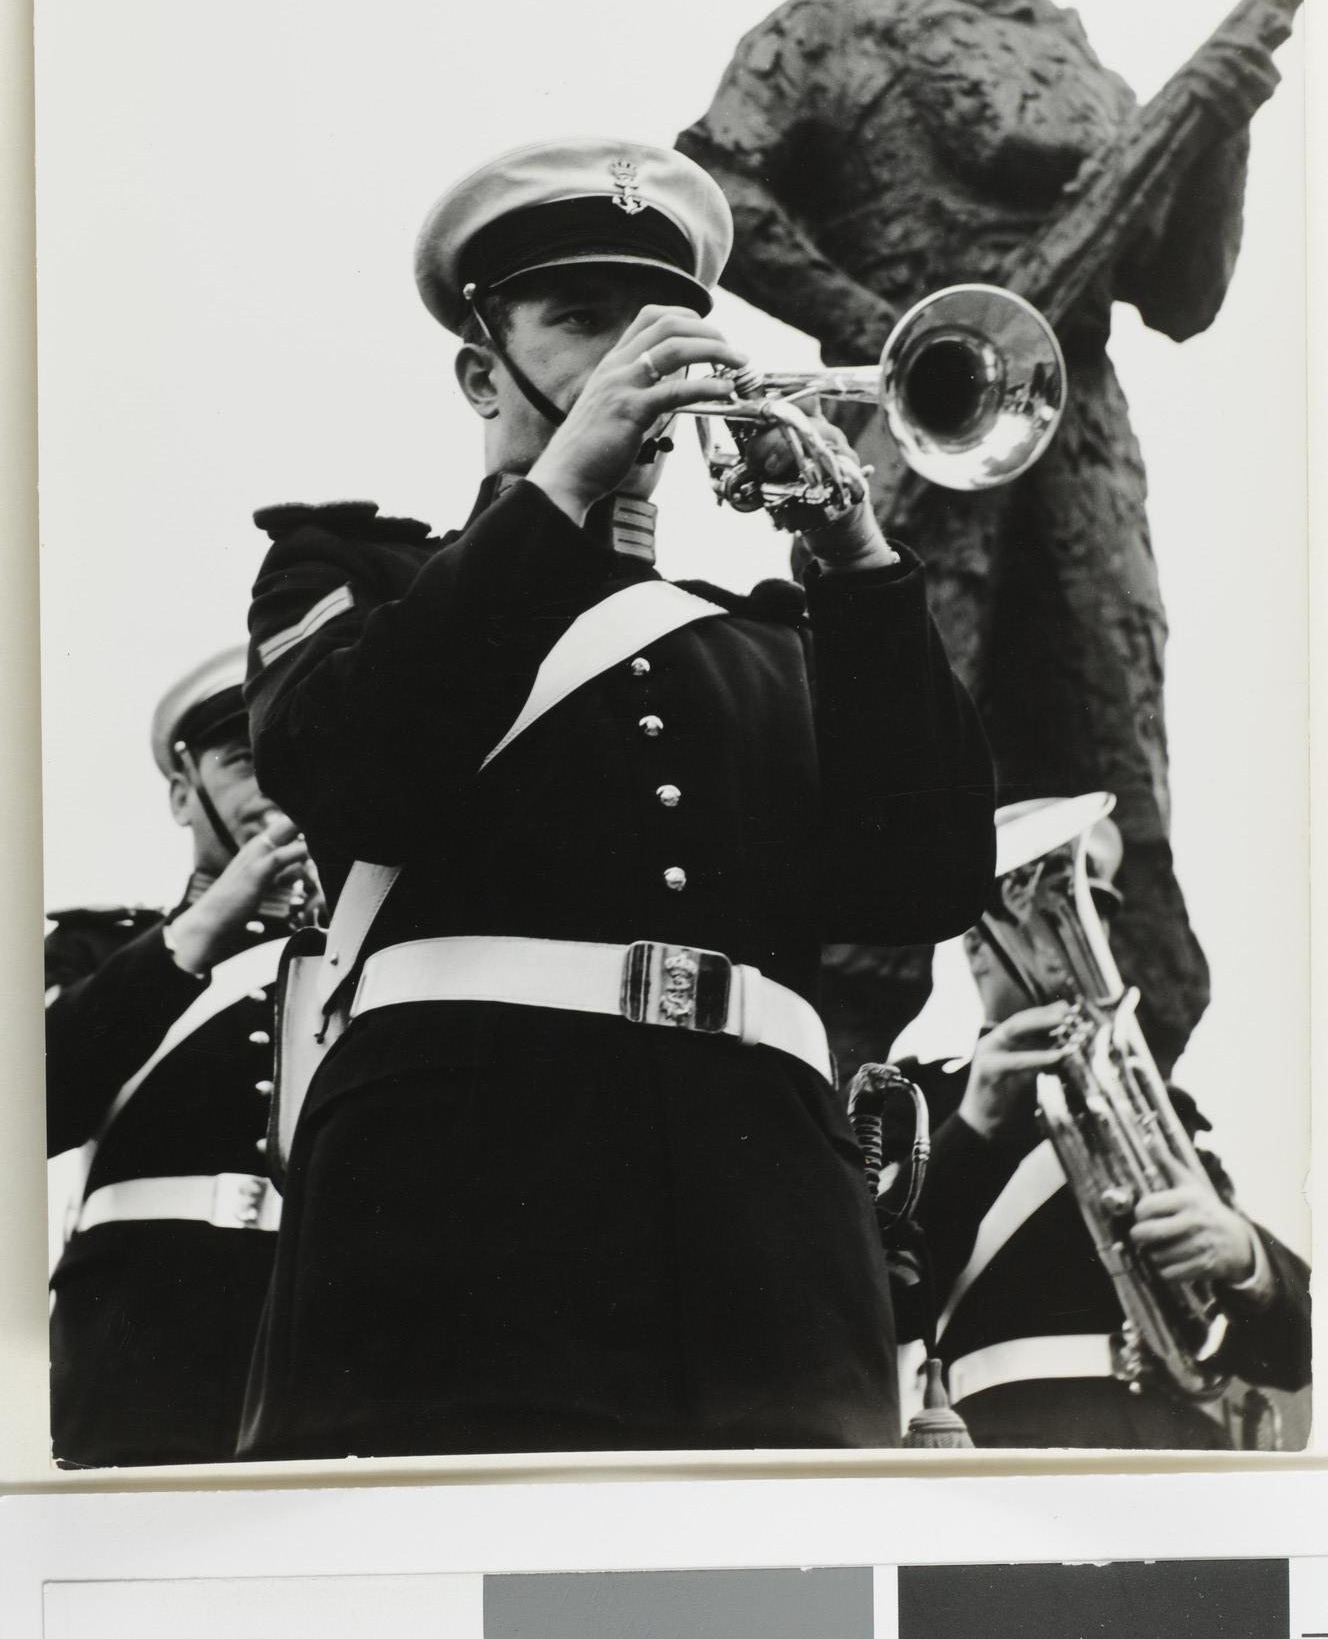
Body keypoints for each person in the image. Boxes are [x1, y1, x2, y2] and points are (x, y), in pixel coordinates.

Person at [238, 136, 995, 1459]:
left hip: (770, 1234)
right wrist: (563, 486)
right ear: (484, 370)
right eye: (580, 320)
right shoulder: (353, 576)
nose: (636, 359)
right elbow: (355, 774)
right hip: (465, 1216)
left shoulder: (774, 640)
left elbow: (920, 882)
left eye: (660, 328)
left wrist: (859, 561)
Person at [676, 0, 1291, 1075]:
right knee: (873, 820)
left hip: (1075, 451)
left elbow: (1179, 295)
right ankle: (835, 1138)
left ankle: (1094, 1151)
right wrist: (891, 333)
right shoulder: (820, 25)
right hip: (905, 447)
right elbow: (720, 191)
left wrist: (1220, 125)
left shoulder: (1074, 58)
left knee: (1114, 816)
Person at [892, 803, 1310, 1449]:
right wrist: (973, 1128)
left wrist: (1243, 1254)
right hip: (1009, 1441)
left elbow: (1295, 1350)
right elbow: (883, 1298)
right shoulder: (916, 1098)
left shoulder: (1165, 1112)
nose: (1081, 937)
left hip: (1177, 1444)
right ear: (976, 945)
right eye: (1045, 914)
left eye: (1093, 910)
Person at [45, 648, 314, 1467]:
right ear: (181, 791)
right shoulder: (97, 949)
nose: (276, 781)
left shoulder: (369, 953)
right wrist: (201, 930)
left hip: (322, 1328)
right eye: (244, 760)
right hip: (144, 1331)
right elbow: (33, 1109)